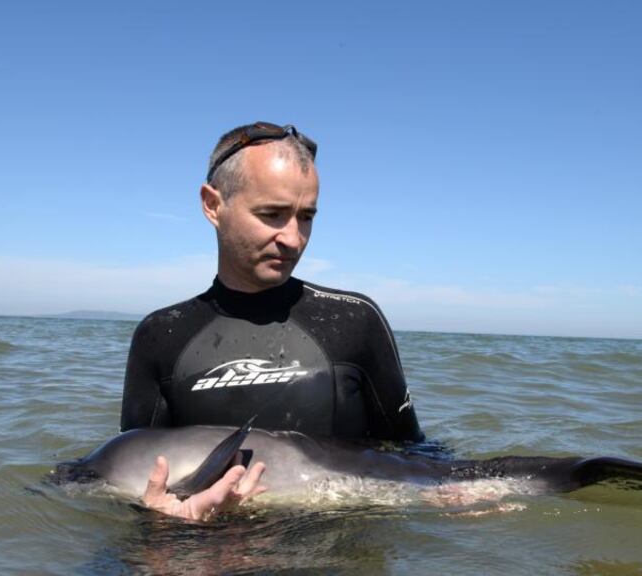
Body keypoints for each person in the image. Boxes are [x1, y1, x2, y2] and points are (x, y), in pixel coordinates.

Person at [120, 121, 424, 520]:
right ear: (213, 204)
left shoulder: (353, 320)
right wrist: (163, 526)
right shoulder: (161, 336)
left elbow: (415, 456)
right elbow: (138, 475)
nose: (294, 239)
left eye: (306, 217)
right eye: (273, 214)